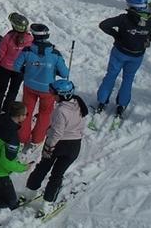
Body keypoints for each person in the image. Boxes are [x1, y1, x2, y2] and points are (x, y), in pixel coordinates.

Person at [94, 0, 151, 118]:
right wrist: (147, 38)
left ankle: (102, 101)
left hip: (119, 52)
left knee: (110, 76)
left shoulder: (124, 18)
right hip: (136, 56)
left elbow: (104, 25)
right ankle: (122, 104)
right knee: (128, 80)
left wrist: (116, 35)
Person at [23, 80, 88, 217]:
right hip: (74, 146)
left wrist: (48, 148)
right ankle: (47, 204)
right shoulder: (78, 102)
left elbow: (57, 133)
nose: (52, 95)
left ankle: (29, 193)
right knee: (57, 175)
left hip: (58, 144)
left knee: (43, 168)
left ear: (62, 95)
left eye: (54, 93)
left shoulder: (60, 110)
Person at [14, 23, 69, 147]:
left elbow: (16, 66)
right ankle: (37, 139)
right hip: (48, 90)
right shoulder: (55, 54)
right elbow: (65, 73)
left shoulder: (27, 50)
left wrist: (26, 71)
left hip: (30, 86)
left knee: (26, 112)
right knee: (45, 114)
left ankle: (22, 137)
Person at [0, 13, 33, 114]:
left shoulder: (8, 37)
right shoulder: (30, 39)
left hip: (5, 67)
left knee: (1, 89)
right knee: (13, 91)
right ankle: (7, 111)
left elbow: (1, 53)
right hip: (20, 69)